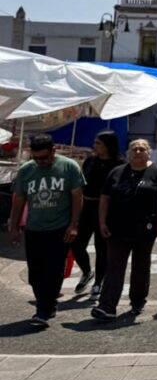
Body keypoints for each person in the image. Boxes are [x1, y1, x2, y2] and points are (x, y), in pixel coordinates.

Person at [92, 139, 157, 320]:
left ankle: (137, 300)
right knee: (114, 267)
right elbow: (105, 198)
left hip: (145, 229)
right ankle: (107, 306)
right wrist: (102, 222)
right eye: (134, 149)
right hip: (117, 229)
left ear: (148, 153)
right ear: (128, 152)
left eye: (142, 149)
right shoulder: (117, 172)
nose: (137, 152)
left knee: (141, 267)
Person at [9, 134, 84, 327]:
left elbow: (77, 197)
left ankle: (44, 309)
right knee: (35, 272)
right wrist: (14, 226)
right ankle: (46, 305)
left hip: (59, 228)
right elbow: (19, 199)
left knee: (54, 270)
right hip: (34, 228)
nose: (40, 162)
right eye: (36, 158)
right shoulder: (27, 170)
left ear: (53, 151)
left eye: (44, 157)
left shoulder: (69, 167)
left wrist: (74, 225)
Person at [71, 131, 122, 297]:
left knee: (102, 248)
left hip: (106, 210)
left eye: (98, 143)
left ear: (108, 146)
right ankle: (87, 271)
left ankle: (99, 282)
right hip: (87, 206)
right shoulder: (90, 161)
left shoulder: (119, 164)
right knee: (77, 244)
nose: (95, 146)